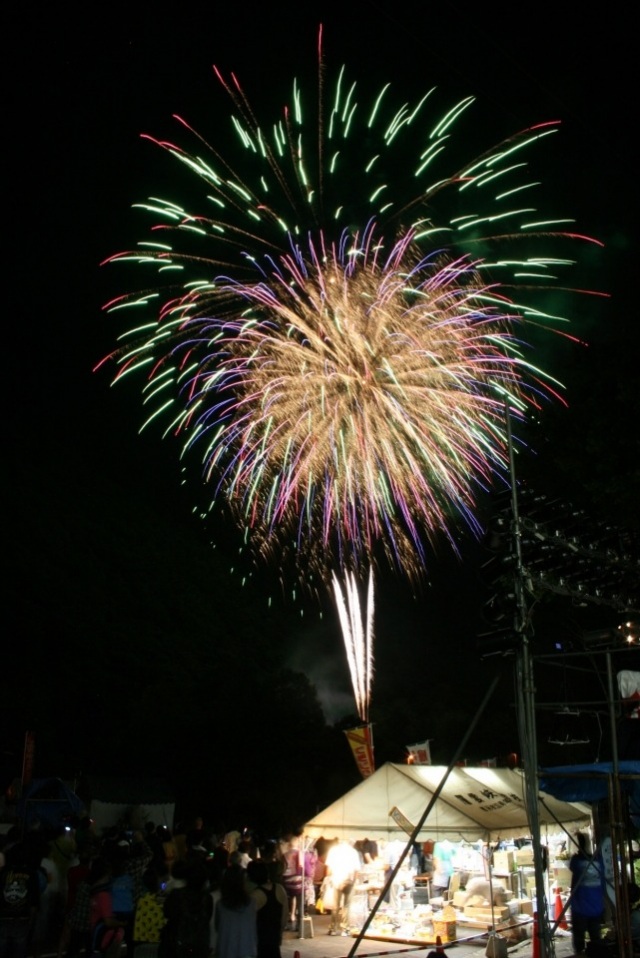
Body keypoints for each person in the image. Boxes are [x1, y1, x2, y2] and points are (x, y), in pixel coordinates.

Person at [0, 841, 41, 958]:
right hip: (22, 917)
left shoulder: (3, 873)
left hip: (3, 916)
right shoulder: (32, 874)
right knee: (19, 950)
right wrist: (31, 921)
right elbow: (34, 901)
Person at [569, 832, 605, 956]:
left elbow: (572, 865)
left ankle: (580, 954)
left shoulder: (577, 862)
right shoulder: (599, 862)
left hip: (580, 907)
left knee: (579, 940)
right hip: (596, 906)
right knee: (596, 937)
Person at [215, 863, 256, 958]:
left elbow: (217, 927)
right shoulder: (252, 903)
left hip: (226, 950)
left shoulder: (221, 905)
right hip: (247, 950)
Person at [247, 860, 287, 958]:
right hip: (274, 940)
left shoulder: (255, 896)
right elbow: (284, 916)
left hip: (260, 942)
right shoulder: (279, 889)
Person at [323, 840, 360, 936]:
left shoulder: (333, 850)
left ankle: (333, 929)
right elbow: (357, 869)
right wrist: (354, 881)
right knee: (346, 906)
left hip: (336, 879)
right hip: (348, 881)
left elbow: (329, 868)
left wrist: (329, 878)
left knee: (335, 906)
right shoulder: (353, 852)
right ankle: (345, 929)